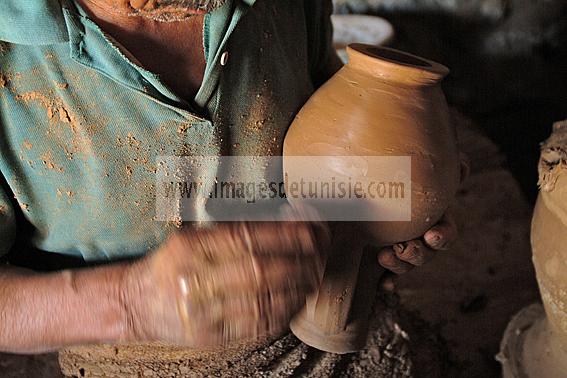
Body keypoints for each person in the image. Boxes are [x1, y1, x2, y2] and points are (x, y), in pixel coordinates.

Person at [0, 0, 458, 353]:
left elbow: (325, 144)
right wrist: (132, 304)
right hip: (109, 355)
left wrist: (398, 197)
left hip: (304, 323)